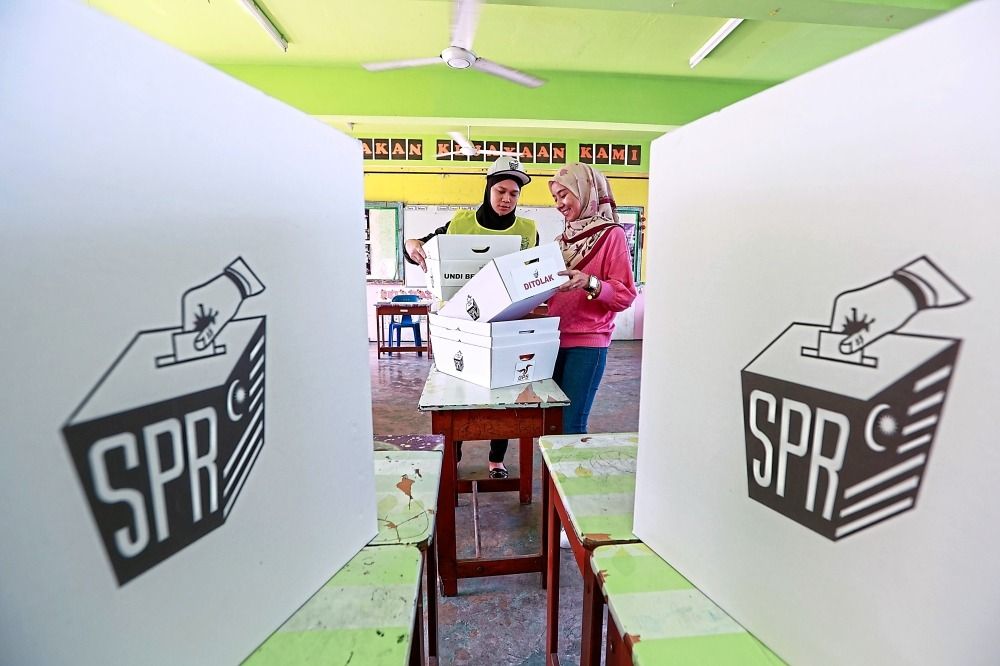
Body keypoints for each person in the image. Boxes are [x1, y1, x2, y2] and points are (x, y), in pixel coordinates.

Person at [403, 156, 538, 479]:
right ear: (488, 189)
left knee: (505, 392)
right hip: (459, 324)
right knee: (457, 393)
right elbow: (420, 249)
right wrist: (411, 244)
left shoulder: (528, 230)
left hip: (503, 323)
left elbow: (533, 271)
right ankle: (454, 457)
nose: (506, 199)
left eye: (514, 193)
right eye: (500, 191)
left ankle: (496, 460)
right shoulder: (460, 223)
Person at [547, 163, 637, 435]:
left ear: (584, 190)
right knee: (549, 426)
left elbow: (624, 295)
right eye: (555, 197)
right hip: (551, 341)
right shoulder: (560, 241)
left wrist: (590, 282)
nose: (559, 204)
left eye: (564, 195)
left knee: (571, 426)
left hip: (587, 345)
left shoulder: (612, 235)